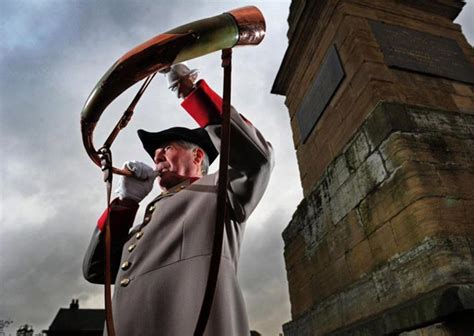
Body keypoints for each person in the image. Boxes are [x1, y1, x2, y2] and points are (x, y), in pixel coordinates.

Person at [83, 63, 274, 336]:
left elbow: (257, 158)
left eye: (167, 148)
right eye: (155, 153)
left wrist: (189, 90)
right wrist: (126, 202)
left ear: (197, 156)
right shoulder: (143, 225)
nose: (157, 156)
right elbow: (96, 270)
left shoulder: (220, 190)